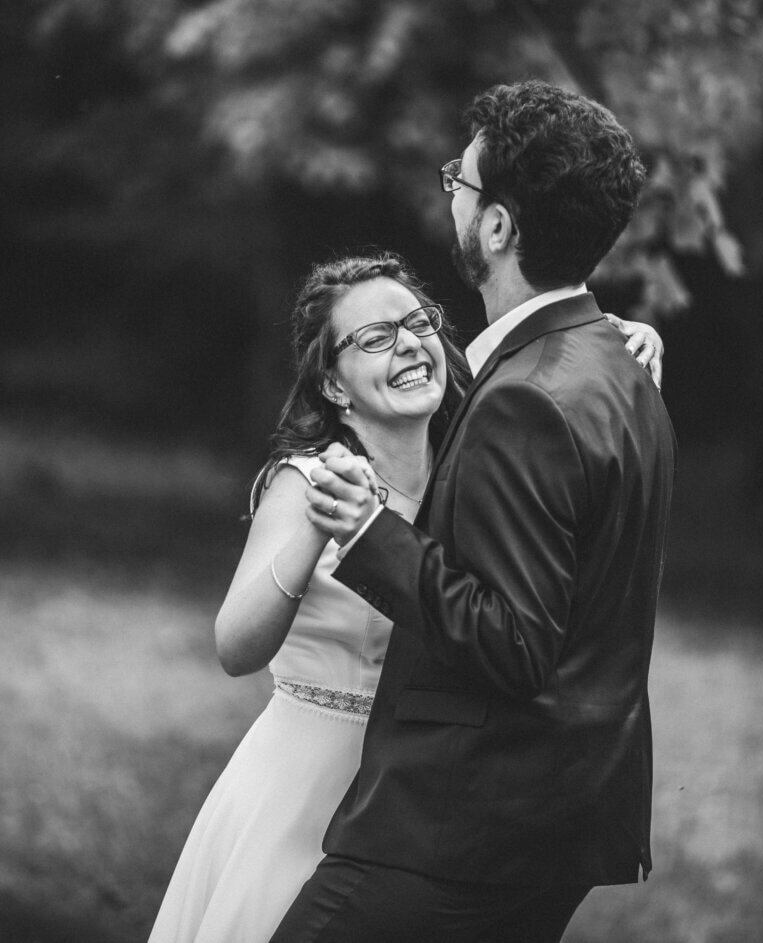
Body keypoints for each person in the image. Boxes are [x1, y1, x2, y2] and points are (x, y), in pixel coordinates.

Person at [148, 250, 663, 942]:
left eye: (416, 322)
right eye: (375, 337)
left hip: (428, 795)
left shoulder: (478, 461)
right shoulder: (306, 482)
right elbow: (235, 647)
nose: (410, 345)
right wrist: (321, 525)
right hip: (303, 783)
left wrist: (629, 336)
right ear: (333, 384)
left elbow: (553, 360)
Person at [271, 81, 677, 943]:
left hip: (458, 829)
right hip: (553, 823)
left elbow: (514, 641)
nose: (448, 190)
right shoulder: (619, 370)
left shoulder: (528, 397)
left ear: (497, 226)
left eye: (460, 180)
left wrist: (371, 534)